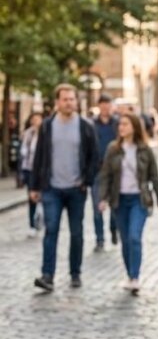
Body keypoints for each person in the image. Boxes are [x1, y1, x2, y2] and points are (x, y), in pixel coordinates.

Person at [30, 84, 98, 292]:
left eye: (72, 99)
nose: (69, 103)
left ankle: (75, 273)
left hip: (76, 189)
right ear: (57, 102)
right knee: (51, 230)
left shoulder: (85, 126)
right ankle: (47, 275)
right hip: (52, 188)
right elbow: (39, 156)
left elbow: (94, 157)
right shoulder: (47, 126)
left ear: (76, 101)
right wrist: (34, 186)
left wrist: (86, 180)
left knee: (76, 233)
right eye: (65, 99)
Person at [98, 113, 158, 294]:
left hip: (139, 199)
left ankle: (135, 277)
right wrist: (102, 198)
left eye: (125, 124)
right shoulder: (113, 148)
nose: (121, 127)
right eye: (120, 124)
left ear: (134, 127)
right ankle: (129, 274)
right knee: (126, 240)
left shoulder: (145, 149)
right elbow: (105, 175)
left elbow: (154, 176)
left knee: (134, 237)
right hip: (119, 200)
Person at [90, 93, 119, 251]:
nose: (105, 107)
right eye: (103, 104)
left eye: (108, 104)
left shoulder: (117, 124)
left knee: (115, 206)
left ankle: (114, 229)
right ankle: (99, 239)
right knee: (97, 207)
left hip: (114, 171)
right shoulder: (92, 125)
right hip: (97, 171)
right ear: (99, 106)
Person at [20, 112, 43, 236]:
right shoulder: (28, 134)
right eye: (34, 119)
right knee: (31, 197)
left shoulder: (46, 133)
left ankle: (40, 218)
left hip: (42, 171)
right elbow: (23, 152)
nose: (36, 121)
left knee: (43, 197)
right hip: (30, 170)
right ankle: (32, 225)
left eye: (38, 119)